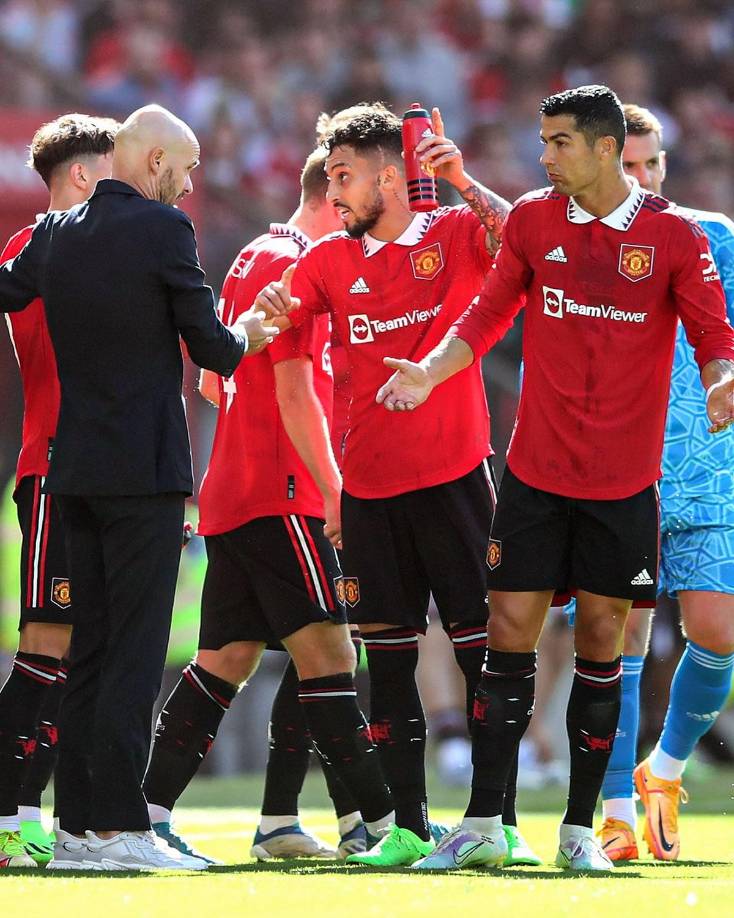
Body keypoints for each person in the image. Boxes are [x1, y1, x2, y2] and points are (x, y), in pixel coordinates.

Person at [375, 84, 734, 872]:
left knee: (605, 642)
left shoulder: (675, 237)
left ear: (604, 148)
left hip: (624, 484)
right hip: (535, 474)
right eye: (543, 141)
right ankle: (483, 823)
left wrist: (719, 381)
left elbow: (713, 332)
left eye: (559, 141)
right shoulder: (537, 220)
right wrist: (431, 370)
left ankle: (581, 830)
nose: (544, 156)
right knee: (507, 638)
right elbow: (486, 315)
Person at [256, 103, 540, 868]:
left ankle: (500, 821)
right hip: (369, 491)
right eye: (329, 177)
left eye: (343, 175)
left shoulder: (452, 233)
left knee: (483, 655)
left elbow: (522, 238)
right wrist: (257, 322)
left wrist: (462, 179)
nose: (332, 192)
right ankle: (408, 828)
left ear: (389, 176)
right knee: (386, 664)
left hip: (455, 478)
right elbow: (275, 316)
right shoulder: (327, 261)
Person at [0, 104, 277, 872]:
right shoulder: (164, 230)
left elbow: (8, 291)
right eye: (184, 171)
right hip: (143, 474)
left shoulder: (54, 232)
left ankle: (76, 830)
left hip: (73, 473)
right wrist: (254, 332)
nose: (187, 187)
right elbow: (212, 346)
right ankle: (121, 826)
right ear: (155, 163)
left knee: (89, 655)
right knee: (134, 652)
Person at [141, 146, 381, 863]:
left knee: (227, 658)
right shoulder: (296, 265)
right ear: (332, 197)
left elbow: (213, 383)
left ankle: (163, 814)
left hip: (236, 490)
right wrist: (334, 489)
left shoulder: (253, 256)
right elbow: (294, 390)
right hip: (285, 490)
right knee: (332, 651)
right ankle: (377, 821)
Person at [596, 103, 734, 863]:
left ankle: (667, 769)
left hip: (709, 468)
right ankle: (616, 808)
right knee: (621, 641)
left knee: (719, 633)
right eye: (629, 165)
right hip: (623, 466)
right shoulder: (582, 245)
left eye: (652, 164)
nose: (643, 178)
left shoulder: (714, 236)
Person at [0, 113, 118, 870]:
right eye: (111, 167)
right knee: (45, 644)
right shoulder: (36, 246)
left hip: (95, 471)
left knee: (72, 653)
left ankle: (31, 816)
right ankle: (7, 817)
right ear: (80, 173)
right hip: (54, 465)